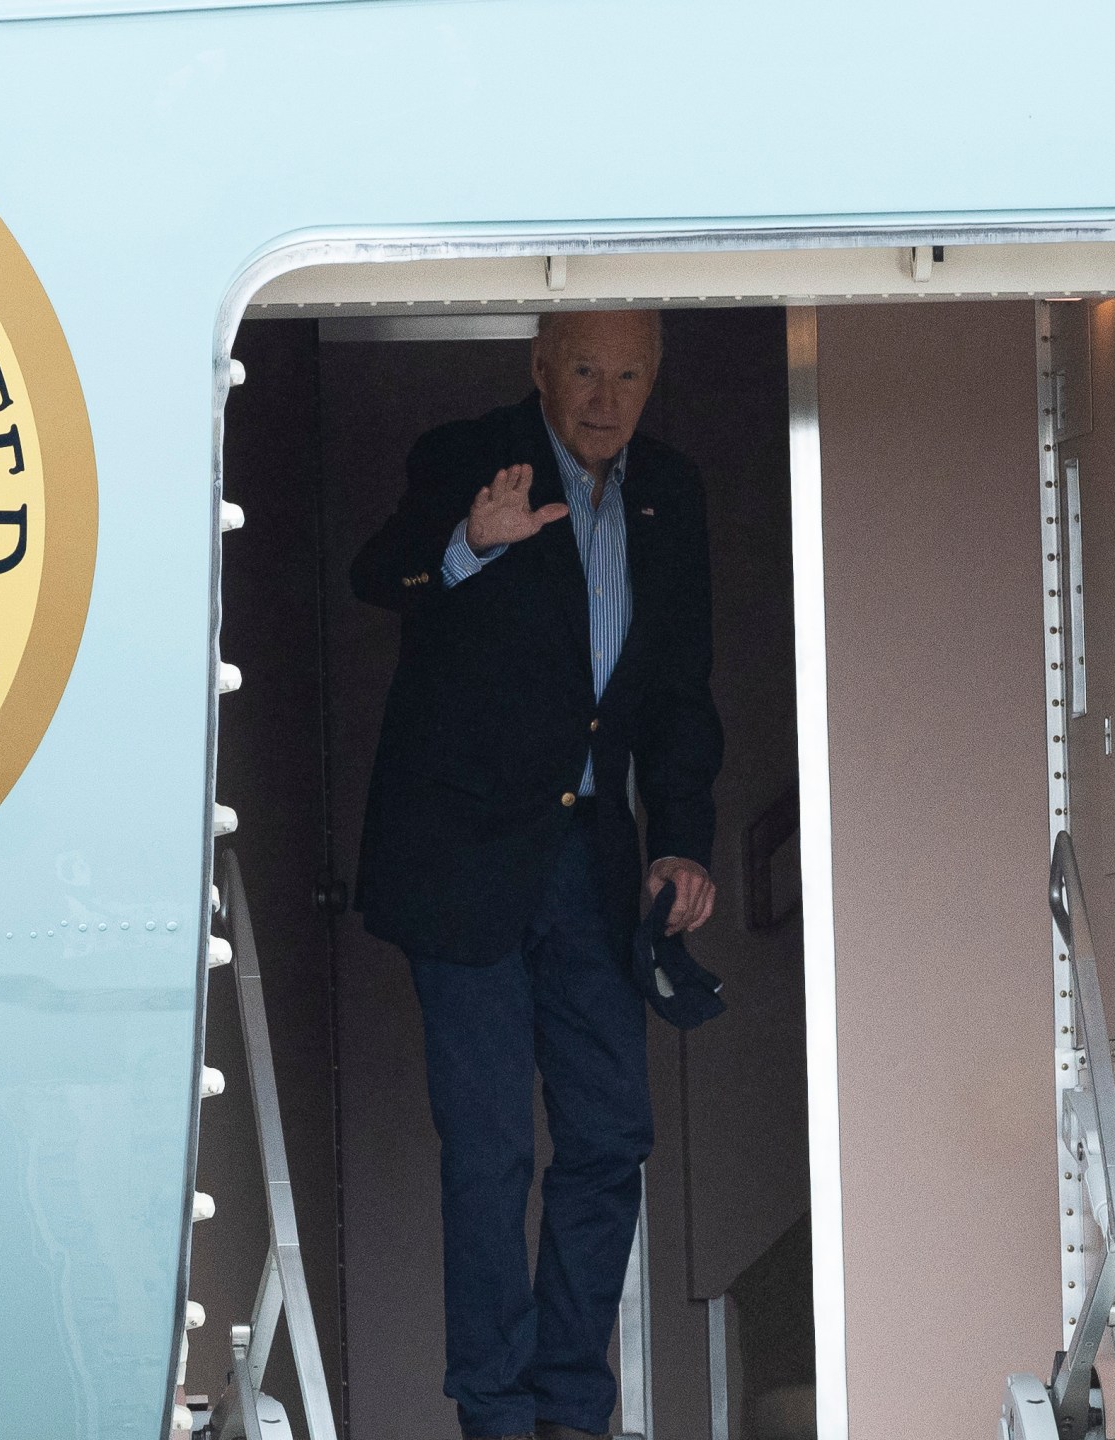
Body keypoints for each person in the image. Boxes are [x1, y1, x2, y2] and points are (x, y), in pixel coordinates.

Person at [350, 309, 724, 1440]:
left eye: (627, 375)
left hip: (591, 860)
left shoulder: (670, 491)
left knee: (610, 1136)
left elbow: (679, 690)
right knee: (492, 1149)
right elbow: (378, 573)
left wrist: (682, 837)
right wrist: (470, 542)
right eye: (584, 371)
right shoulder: (469, 454)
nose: (605, 399)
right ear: (540, 368)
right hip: (461, 860)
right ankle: (496, 1412)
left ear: (654, 380)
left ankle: (571, 1406)